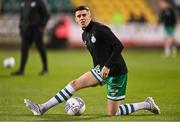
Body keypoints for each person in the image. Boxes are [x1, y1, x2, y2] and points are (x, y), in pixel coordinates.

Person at [24, 6, 160, 116]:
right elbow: (96, 55)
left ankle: (147, 104)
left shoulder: (100, 29)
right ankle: (42, 108)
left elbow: (119, 46)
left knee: (112, 113)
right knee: (75, 83)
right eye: (79, 16)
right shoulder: (85, 35)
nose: (82, 18)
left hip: (117, 72)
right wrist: (98, 75)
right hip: (101, 69)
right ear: (76, 19)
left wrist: (107, 66)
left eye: (84, 15)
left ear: (90, 16)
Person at [11, 0, 50, 76]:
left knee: (40, 49)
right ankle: (21, 70)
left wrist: (41, 27)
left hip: (36, 30)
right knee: (24, 49)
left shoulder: (39, 2)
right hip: (26, 30)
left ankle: (45, 69)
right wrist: (21, 27)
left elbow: (47, 15)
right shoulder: (23, 2)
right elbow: (22, 16)